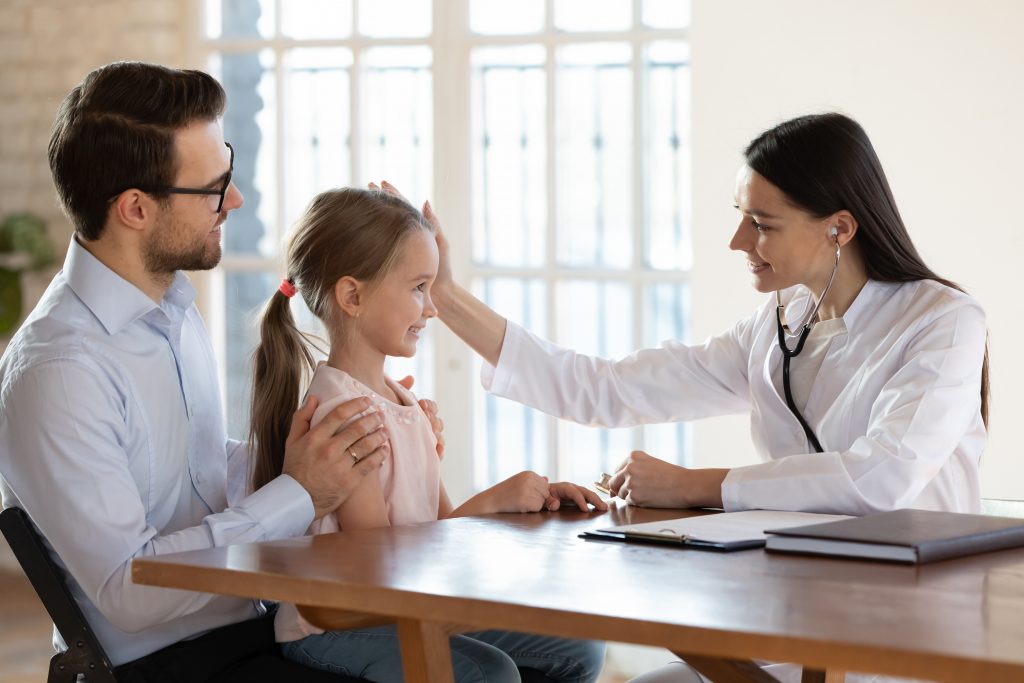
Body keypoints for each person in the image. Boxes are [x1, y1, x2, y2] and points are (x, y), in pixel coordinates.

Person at [408, 112, 988, 683]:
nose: (738, 241)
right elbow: (605, 389)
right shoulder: (776, 327)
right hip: (801, 608)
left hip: (912, 631)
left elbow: (882, 477)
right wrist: (447, 296)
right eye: (741, 216)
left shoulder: (942, 321)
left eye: (762, 223)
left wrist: (694, 483)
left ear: (839, 227)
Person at [0, 62, 414, 682]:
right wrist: (300, 492)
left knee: (533, 658)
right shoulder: (57, 373)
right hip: (171, 663)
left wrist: (328, 449)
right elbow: (129, 589)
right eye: (215, 187)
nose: (236, 200)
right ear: (136, 209)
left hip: (249, 622)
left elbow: (195, 471)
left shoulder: (170, 309)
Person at [248, 186, 607, 683]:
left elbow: (444, 528)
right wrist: (493, 499)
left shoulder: (406, 402)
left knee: (580, 648)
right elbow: (381, 559)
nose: (432, 308)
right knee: (489, 673)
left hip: (402, 607)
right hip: (337, 625)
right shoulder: (341, 414)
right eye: (418, 287)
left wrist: (519, 501)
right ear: (352, 296)